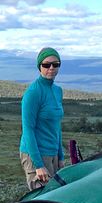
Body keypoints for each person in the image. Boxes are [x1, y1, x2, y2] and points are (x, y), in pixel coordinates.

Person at [19, 47, 64, 190]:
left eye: (55, 64)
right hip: (36, 154)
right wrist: (38, 165)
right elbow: (28, 130)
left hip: (53, 154)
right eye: (46, 65)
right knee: (42, 199)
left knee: (56, 198)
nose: (51, 68)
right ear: (39, 66)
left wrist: (61, 156)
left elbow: (56, 126)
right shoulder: (33, 93)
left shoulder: (57, 91)